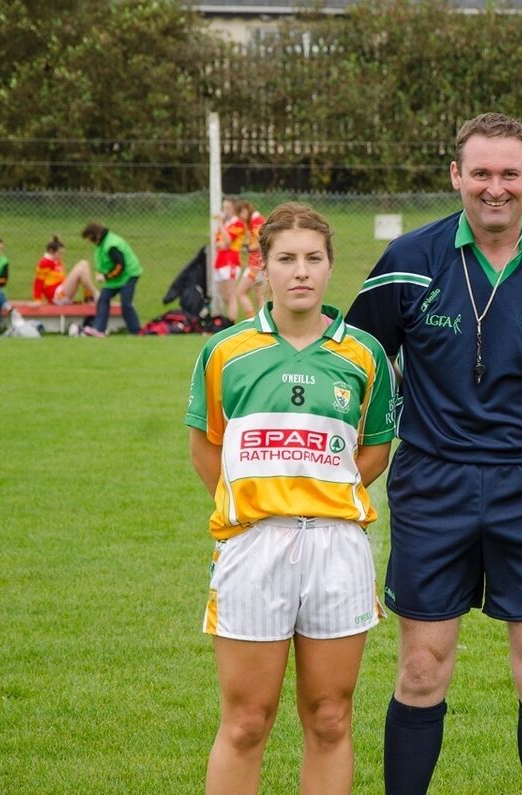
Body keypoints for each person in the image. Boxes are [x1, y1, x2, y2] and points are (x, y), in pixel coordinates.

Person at [347, 112, 522, 795]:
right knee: (420, 668)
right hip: (431, 484)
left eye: (509, 173)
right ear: (456, 176)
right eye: (481, 173)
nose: (494, 188)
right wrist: (394, 427)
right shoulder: (410, 262)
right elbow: (358, 360)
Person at [186, 202, 396, 795]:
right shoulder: (226, 352)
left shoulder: (365, 355)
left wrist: (320, 495)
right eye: (286, 259)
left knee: (330, 718)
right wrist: (256, 510)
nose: (300, 271)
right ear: (263, 268)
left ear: (331, 268)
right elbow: (207, 450)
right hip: (255, 546)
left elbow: (375, 450)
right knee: (247, 722)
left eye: (313, 259)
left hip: (336, 548)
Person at [80, 221, 142, 336]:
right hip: (115, 278)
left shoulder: (111, 245)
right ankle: (99, 330)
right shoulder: (101, 243)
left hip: (128, 275)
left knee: (126, 303)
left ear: (96, 236)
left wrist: (105, 276)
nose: (90, 242)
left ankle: (136, 331)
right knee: (103, 299)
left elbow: (120, 265)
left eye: (91, 239)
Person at [32, 235, 98, 305]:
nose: (61, 256)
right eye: (59, 253)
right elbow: (38, 282)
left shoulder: (55, 260)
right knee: (81, 268)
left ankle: (89, 297)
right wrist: (37, 299)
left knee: (84, 264)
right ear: (51, 251)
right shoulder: (45, 263)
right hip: (58, 297)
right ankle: (95, 294)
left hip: (61, 293)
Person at [213, 196, 246, 320]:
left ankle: (230, 324)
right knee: (225, 296)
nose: (225, 210)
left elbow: (227, 241)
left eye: (228, 207)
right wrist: (223, 242)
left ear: (234, 209)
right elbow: (218, 243)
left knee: (231, 296)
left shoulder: (238, 223)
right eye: (224, 207)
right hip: (220, 261)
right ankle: (228, 321)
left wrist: (220, 224)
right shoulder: (226, 224)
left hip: (230, 261)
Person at [233, 199, 267, 319]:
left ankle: (252, 321)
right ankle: (262, 320)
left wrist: (248, 248)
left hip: (256, 263)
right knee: (259, 294)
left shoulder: (256, 220)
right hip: (258, 262)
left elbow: (261, 241)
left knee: (240, 292)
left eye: (240, 214)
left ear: (244, 210)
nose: (240, 218)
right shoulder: (253, 220)